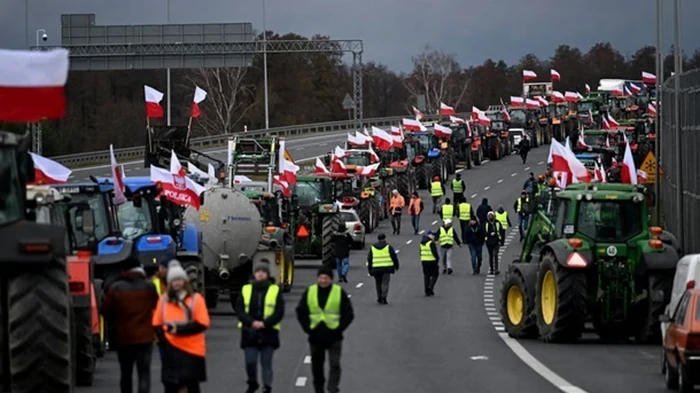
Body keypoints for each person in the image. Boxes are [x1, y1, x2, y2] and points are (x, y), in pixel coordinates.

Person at [101, 257, 159, 393]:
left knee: (126, 373)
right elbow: (157, 306)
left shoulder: (116, 287)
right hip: (145, 337)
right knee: (144, 372)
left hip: (124, 338)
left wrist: (115, 324)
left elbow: (106, 311)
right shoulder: (149, 286)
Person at [152, 260, 210, 393]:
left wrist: (178, 330)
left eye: (179, 280)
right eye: (174, 280)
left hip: (192, 350)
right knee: (171, 385)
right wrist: (163, 340)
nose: (177, 283)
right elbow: (156, 323)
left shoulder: (196, 300)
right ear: (170, 283)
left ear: (185, 281)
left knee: (191, 385)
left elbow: (203, 323)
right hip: (171, 349)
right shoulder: (164, 301)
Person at [296, 267, 354, 393]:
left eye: (326, 278)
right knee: (317, 366)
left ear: (331, 280)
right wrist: (308, 329)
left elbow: (348, 314)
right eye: (321, 278)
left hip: (334, 336)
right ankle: (319, 389)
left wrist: (339, 328)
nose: (323, 280)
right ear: (317, 279)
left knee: (335, 364)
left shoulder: (338, 292)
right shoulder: (310, 292)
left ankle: (332, 388)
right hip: (316, 336)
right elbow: (301, 312)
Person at [236, 265, 285, 393]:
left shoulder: (274, 290)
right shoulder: (246, 289)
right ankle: (252, 382)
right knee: (250, 361)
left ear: (267, 274)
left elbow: (279, 311)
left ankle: (267, 387)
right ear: (254, 274)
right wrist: (251, 322)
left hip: (268, 332)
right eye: (258, 272)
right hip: (249, 332)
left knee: (266, 363)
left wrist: (265, 323)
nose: (260, 274)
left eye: (263, 272)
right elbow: (240, 310)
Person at [366, 233, 400, 304]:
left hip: (376, 268)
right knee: (385, 283)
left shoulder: (373, 247)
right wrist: (396, 266)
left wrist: (369, 269)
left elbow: (369, 259)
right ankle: (384, 297)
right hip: (386, 268)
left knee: (378, 283)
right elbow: (394, 257)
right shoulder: (388, 247)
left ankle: (379, 297)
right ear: (384, 239)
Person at [420, 230, 441, 296]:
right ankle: (430, 286)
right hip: (432, 261)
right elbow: (435, 253)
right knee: (435, 275)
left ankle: (426, 291)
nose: (434, 236)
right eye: (433, 235)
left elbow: (420, 252)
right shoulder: (431, 243)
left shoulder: (422, 243)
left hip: (424, 261)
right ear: (429, 235)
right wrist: (437, 260)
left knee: (426, 276)